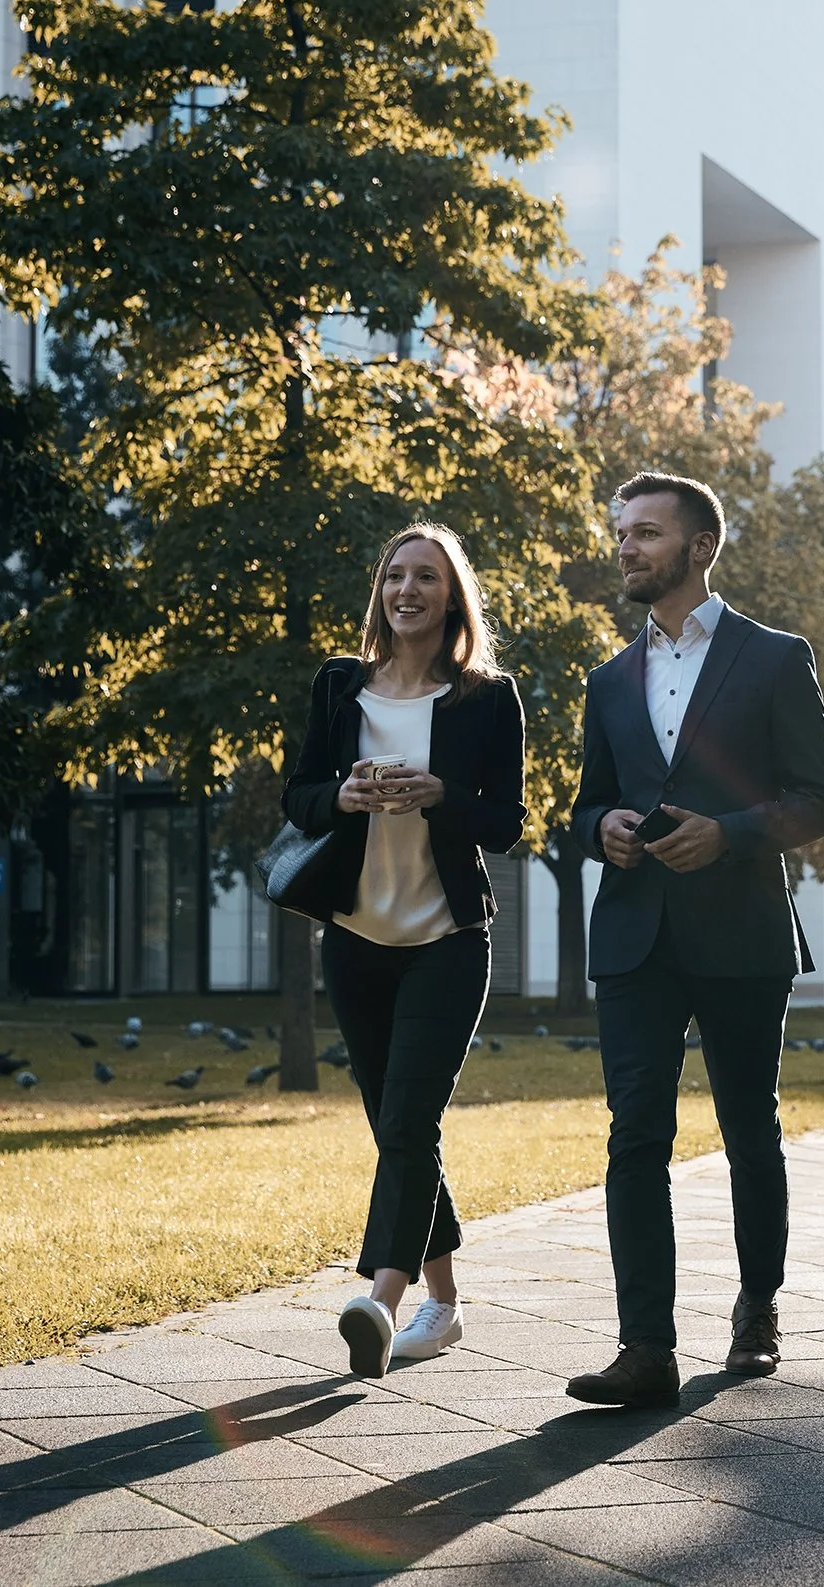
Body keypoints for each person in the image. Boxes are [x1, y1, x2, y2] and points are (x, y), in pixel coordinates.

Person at [564, 471, 824, 1407]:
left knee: (748, 1128)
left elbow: (818, 800)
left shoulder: (774, 657)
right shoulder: (608, 680)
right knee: (633, 1135)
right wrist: (600, 825)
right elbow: (585, 802)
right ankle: (645, 1347)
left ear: (699, 546)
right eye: (622, 533)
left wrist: (729, 832)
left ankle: (758, 1303)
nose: (626, 547)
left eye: (645, 533)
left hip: (742, 930)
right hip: (636, 934)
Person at [282, 522, 528, 1380]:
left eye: (426, 577)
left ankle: (378, 1305)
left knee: (410, 1122)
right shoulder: (338, 686)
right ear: (380, 591)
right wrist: (345, 794)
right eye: (395, 576)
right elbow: (300, 793)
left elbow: (509, 822)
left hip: (447, 943)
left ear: (452, 594)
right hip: (355, 942)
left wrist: (441, 794)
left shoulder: (488, 698)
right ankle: (447, 1304)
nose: (407, 590)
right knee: (397, 1128)